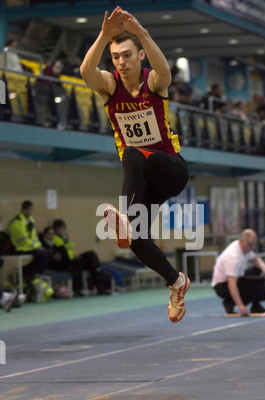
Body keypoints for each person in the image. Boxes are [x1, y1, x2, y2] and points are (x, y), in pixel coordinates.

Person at [80, 6, 190, 323]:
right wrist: (104, 36)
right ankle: (176, 281)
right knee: (137, 241)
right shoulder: (109, 86)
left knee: (131, 151)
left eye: (127, 55)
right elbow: (86, 73)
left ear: (140, 55)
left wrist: (141, 32)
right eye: (116, 57)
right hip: (144, 179)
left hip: (171, 169)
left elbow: (166, 73)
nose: (121, 62)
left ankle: (127, 217)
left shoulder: (153, 81)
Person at [212, 229, 265, 316]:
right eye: (250, 245)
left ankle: (256, 306)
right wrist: (240, 306)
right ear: (242, 241)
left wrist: (264, 268)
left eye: (253, 245)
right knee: (252, 283)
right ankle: (230, 302)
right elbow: (232, 284)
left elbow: (255, 259)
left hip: (236, 279)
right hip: (222, 286)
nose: (252, 248)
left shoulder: (244, 248)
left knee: (258, 271)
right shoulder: (233, 257)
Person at [52, 219, 115, 295]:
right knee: (91, 261)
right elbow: (62, 253)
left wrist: (75, 255)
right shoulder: (55, 239)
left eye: (62, 228)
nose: (61, 230)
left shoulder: (65, 239)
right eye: (59, 228)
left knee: (91, 255)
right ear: (55, 229)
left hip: (74, 259)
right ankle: (98, 276)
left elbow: (70, 250)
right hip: (68, 263)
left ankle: (99, 277)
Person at [7, 201, 51, 283]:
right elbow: (23, 240)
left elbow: (34, 237)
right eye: (28, 210)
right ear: (23, 209)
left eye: (31, 210)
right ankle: (27, 272)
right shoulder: (17, 222)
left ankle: (32, 272)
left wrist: (39, 247)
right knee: (42, 255)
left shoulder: (30, 221)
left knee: (48, 252)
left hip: (29, 247)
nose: (30, 212)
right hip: (19, 248)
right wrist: (36, 248)